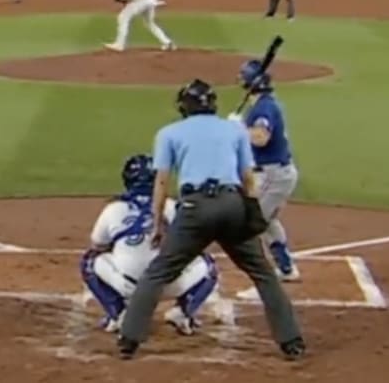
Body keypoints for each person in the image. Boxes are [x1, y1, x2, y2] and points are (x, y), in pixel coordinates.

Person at [116, 79, 305, 361]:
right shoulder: (234, 130)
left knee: (159, 272)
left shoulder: (169, 133)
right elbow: (248, 178)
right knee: (263, 273)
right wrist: (250, 213)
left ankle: (129, 339)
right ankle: (292, 342)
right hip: (232, 205)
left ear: (183, 107)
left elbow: (162, 182)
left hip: (195, 209)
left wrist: (157, 224)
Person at [80, 154, 224, 336]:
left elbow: (97, 245)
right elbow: (197, 243)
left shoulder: (114, 208)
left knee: (89, 261)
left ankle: (118, 313)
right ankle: (183, 312)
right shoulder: (172, 206)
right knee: (207, 264)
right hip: (169, 286)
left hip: (127, 286)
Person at [229, 60, 301, 281]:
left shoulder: (265, 107)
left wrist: (239, 128)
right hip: (270, 173)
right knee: (266, 221)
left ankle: (261, 272)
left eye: (244, 76)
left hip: (273, 175)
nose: (240, 79)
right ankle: (286, 268)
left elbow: (260, 139)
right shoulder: (261, 104)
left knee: (252, 222)